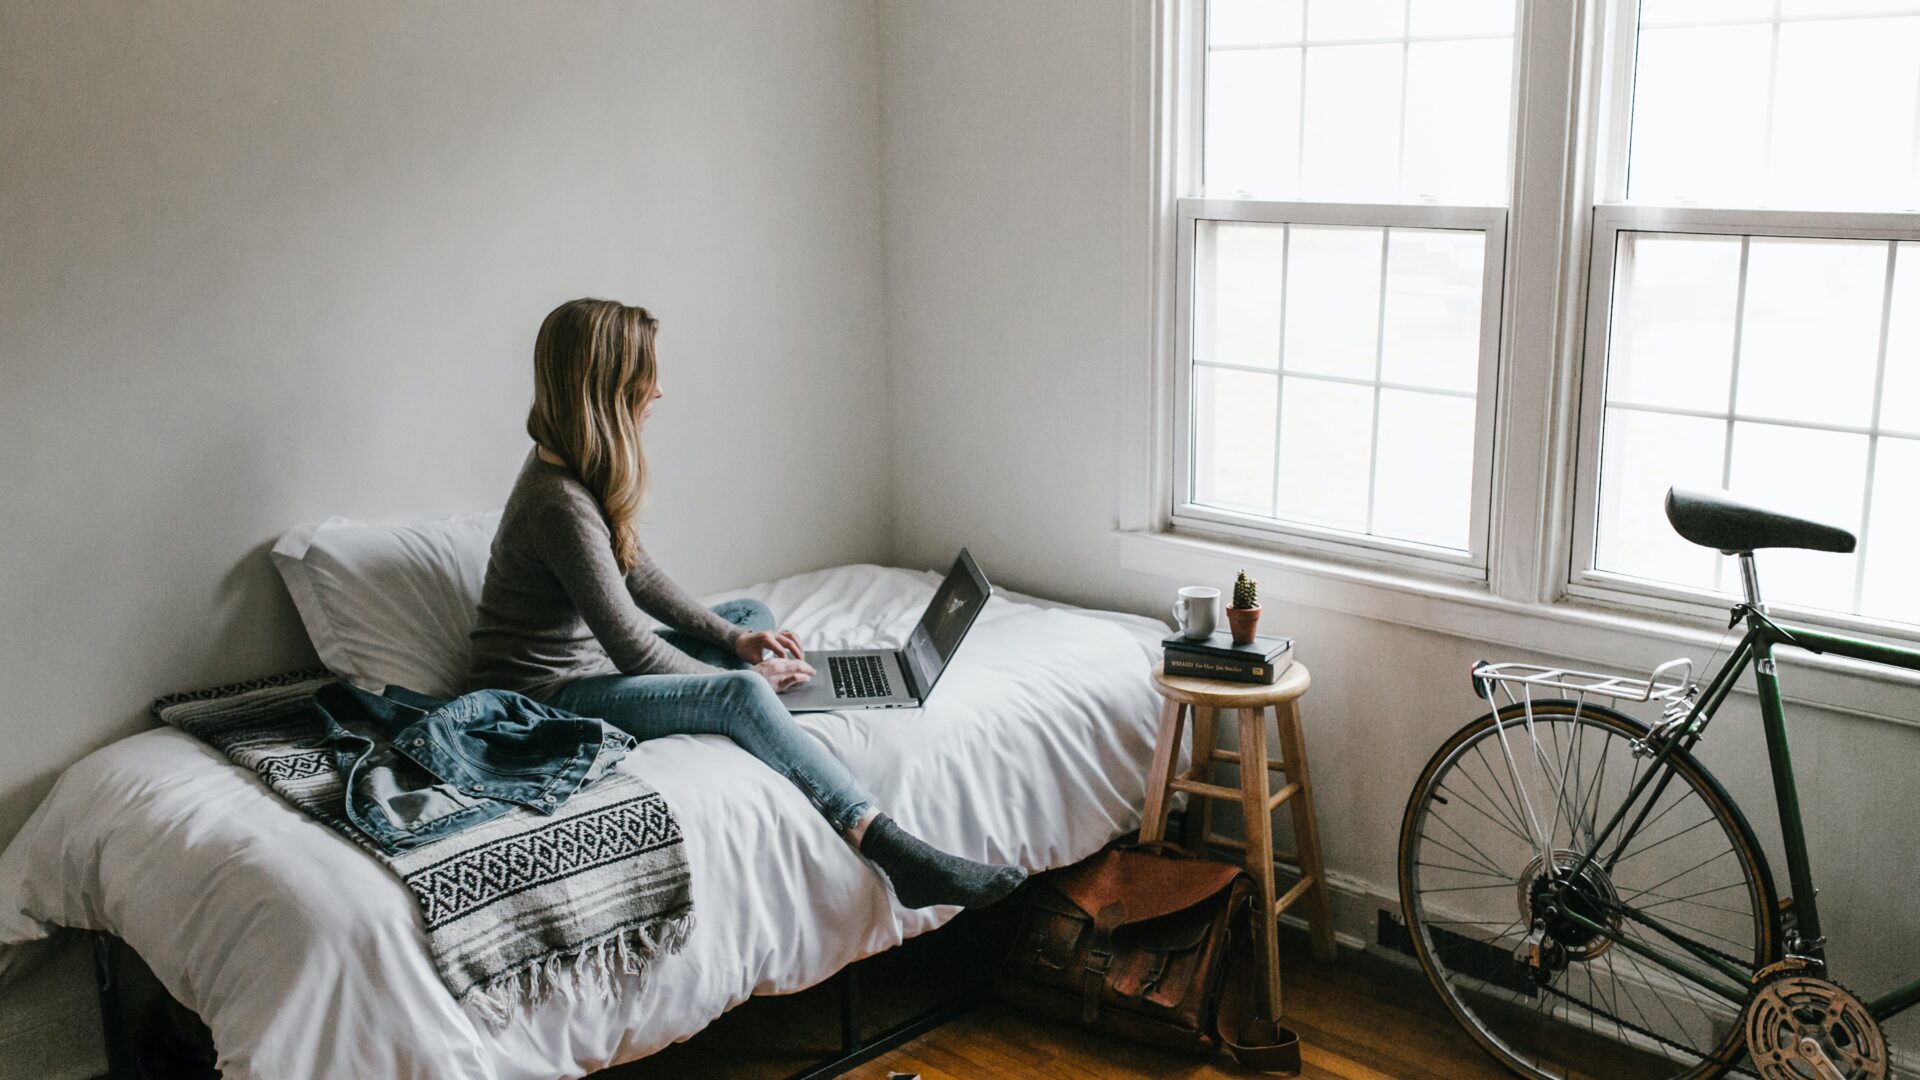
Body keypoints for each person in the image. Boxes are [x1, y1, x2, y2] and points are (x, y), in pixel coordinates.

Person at [466, 297, 1025, 910]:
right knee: (741, 693)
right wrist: (742, 678)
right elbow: (630, 645)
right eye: (646, 375)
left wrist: (733, 643)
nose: (660, 390)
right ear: (608, 387)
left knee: (747, 618)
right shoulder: (560, 504)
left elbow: (639, 574)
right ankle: (891, 847)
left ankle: (749, 693)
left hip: (589, 665)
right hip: (544, 698)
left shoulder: (576, 467)